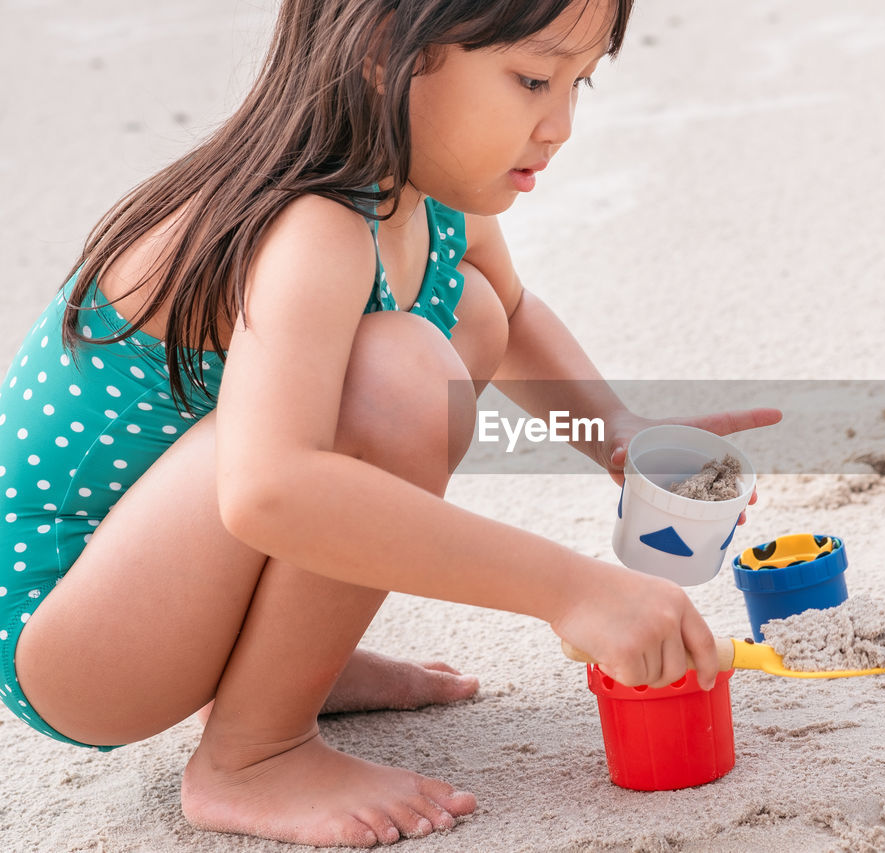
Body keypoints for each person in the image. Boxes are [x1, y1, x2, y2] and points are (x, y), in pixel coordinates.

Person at [0, 0, 780, 846]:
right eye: (531, 79)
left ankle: (277, 668)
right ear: (385, 51)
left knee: (470, 312)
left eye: (577, 83)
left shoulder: (427, 189)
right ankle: (254, 752)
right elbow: (271, 491)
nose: (561, 125)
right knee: (397, 376)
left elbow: (510, 319)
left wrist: (618, 434)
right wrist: (576, 590)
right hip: (76, 644)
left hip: (157, 581)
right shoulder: (311, 225)